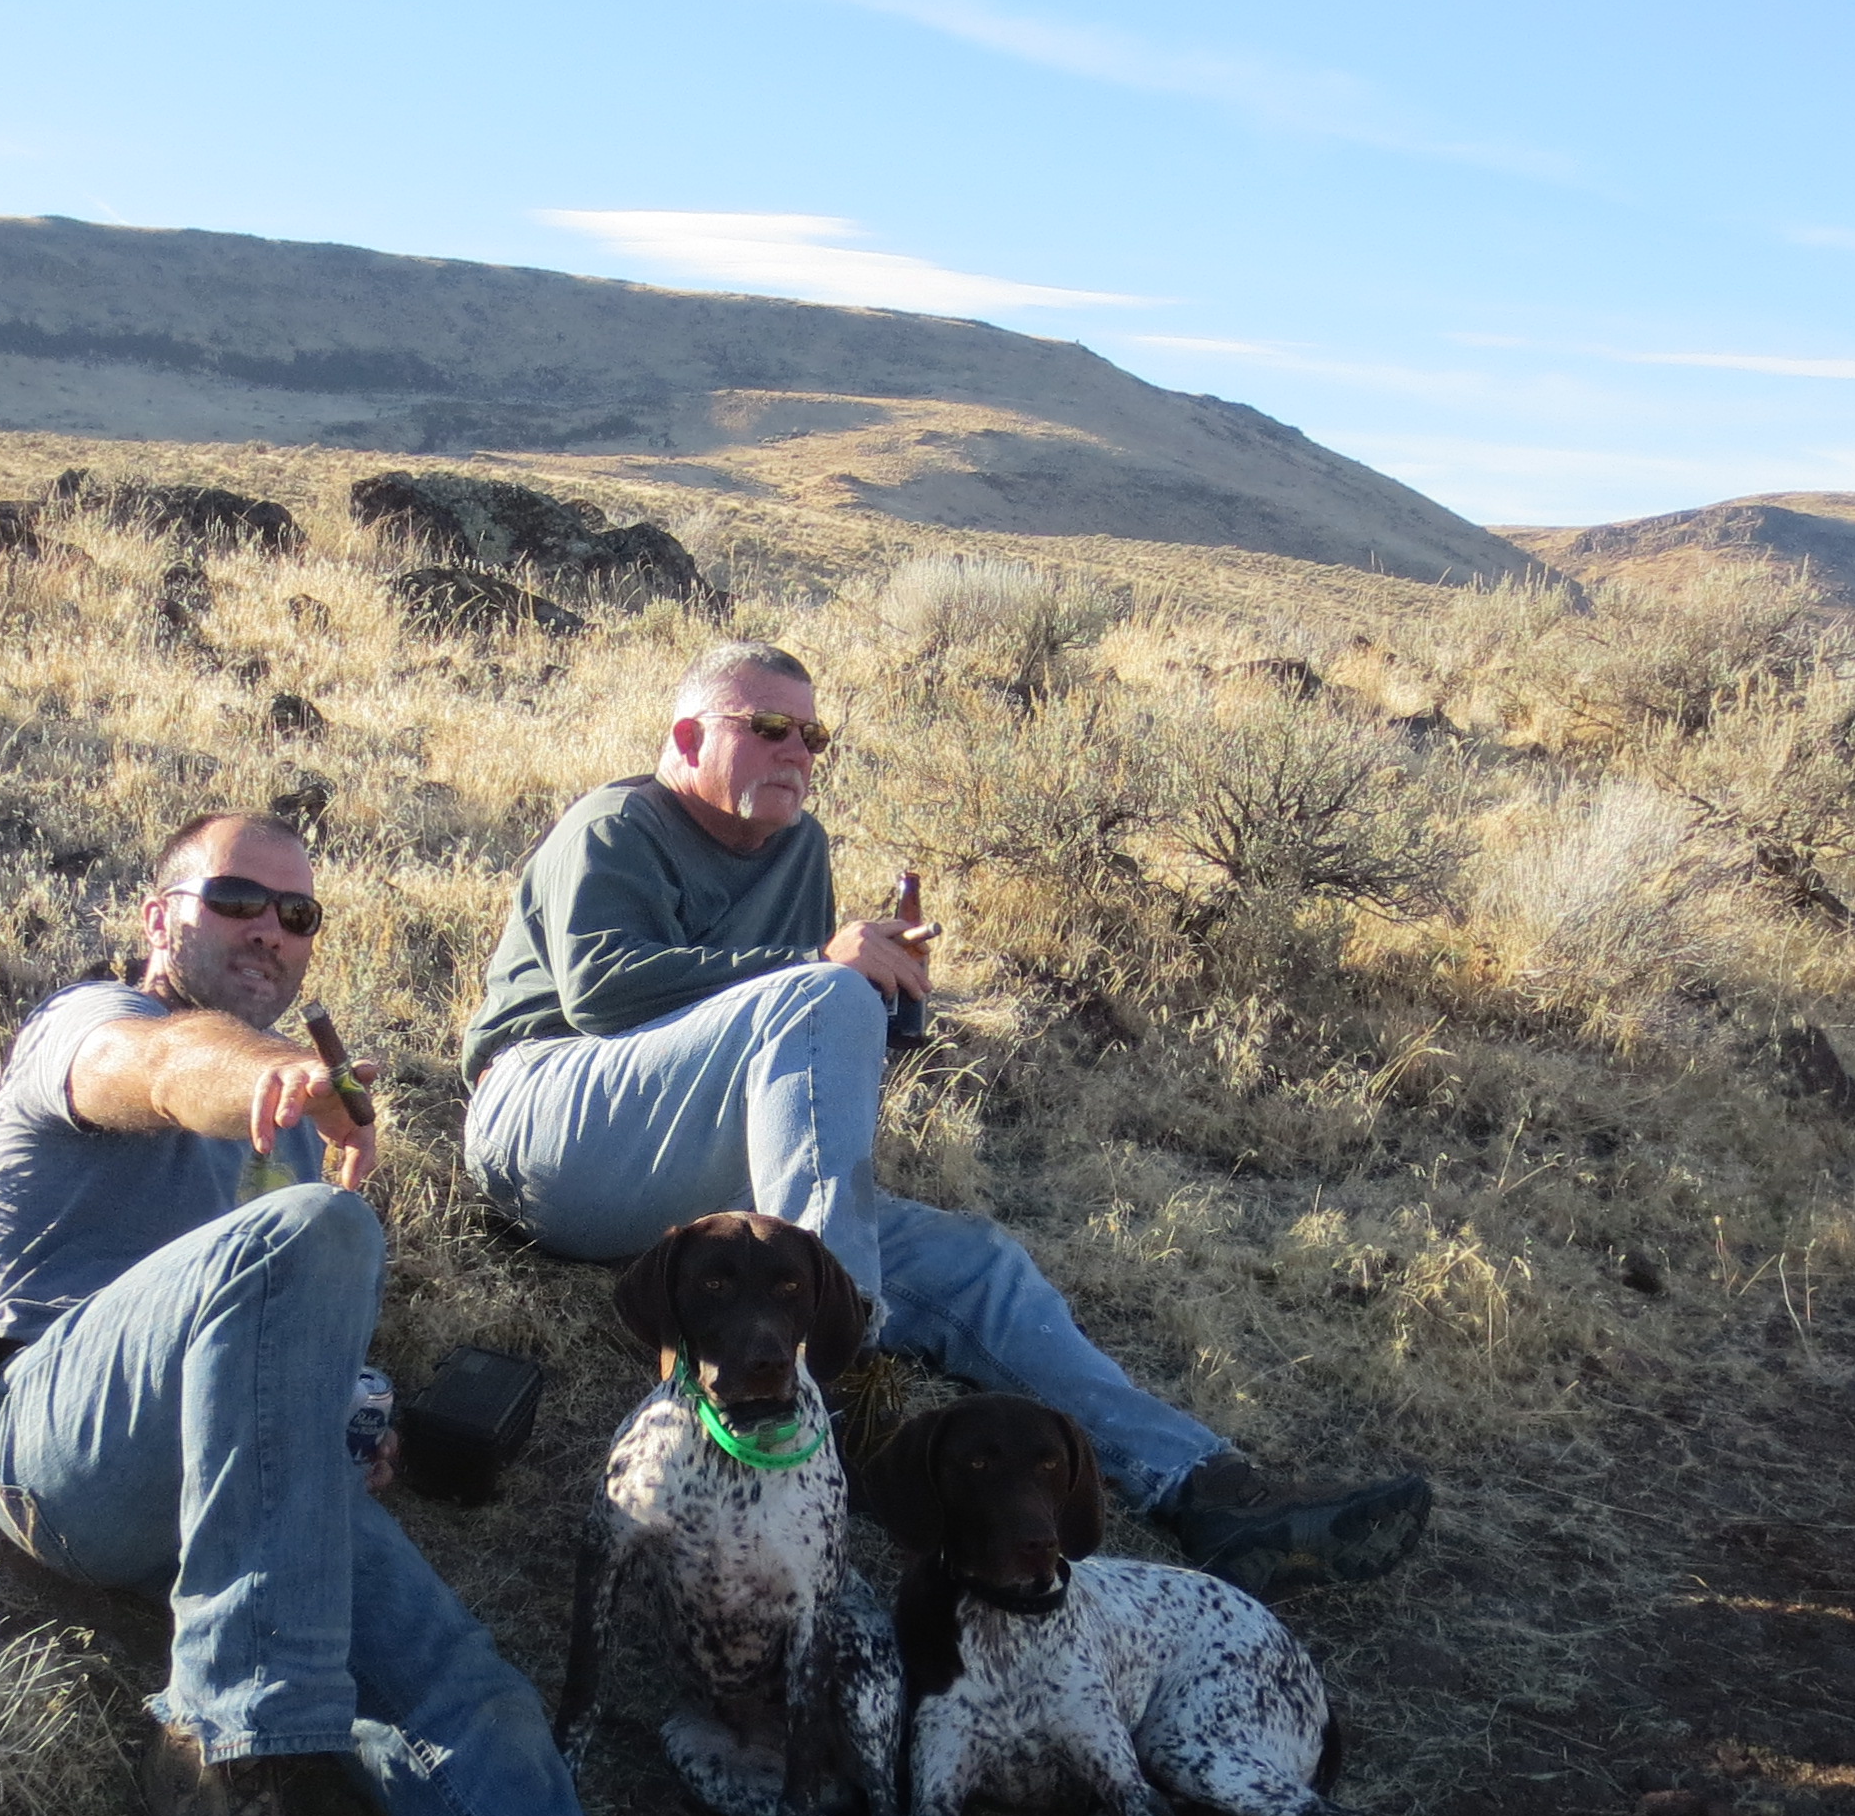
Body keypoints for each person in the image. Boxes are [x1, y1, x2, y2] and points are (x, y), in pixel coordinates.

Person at [0, 807, 1016, 1816]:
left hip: (244, 1481)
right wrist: (275, 1077)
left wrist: (361, 1409)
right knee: (318, 1229)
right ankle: (227, 1734)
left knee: (478, 1708)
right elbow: (154, 1067)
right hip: (57, 1446)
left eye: (299, 917)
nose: (270, 933)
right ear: (161, 918)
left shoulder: (278, 1165)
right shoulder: (90, 1029)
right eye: (234, 902)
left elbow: (300, 1339)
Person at [460, 642, 1436, 1592]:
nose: (798, 752)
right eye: (768, 727)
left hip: (688, 1171)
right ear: (686, 735)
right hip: (549, 1127)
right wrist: (822, 979)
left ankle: (1209, 1488)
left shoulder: (798, 847)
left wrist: (890, 996)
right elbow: (604, 994)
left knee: (976, 1263)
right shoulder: (617, 825)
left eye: (814, 735)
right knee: (822, 994)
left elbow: (784, 1047)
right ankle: (824, 1378)